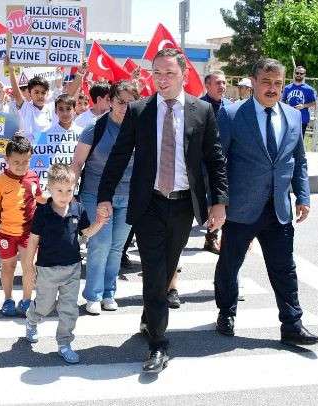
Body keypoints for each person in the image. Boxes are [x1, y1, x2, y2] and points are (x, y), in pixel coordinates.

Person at [97, 48, 228, 373]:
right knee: (155, 274)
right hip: (150, 204)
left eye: (169, 73)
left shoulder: (201, 111)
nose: (163, 79)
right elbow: (118, 154)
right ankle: (158, 343)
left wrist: (219, 200)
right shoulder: (139, 110)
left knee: (168, 267)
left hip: (184, 204)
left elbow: (214, 158)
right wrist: (104, 196)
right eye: (157, 73)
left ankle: (148, 319)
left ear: (183, 74)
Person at [214, 58, 318, 348]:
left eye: (278, 83)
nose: (272, 88)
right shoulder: (233, 114)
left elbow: (298, 160)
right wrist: (219, 202)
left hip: (278, 208)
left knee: (284, 268)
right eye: (266, 82)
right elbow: (217, 162)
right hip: (240, 207)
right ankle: (226, 312)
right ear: (253, 82)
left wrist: (303, 196)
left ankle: (292, 324)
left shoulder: (291, 115)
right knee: (229, 265)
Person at [24, 163, 106, 363]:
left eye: (69, 190)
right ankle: (32, 319)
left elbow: (86, 233)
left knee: (69, 309)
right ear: (50, 189)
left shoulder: (78, 209)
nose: (64, 195)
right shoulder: (43, 212)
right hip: (47, 269)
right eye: (59, 190)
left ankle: (64, 343)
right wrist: (29, 266)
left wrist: (100, 222)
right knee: (45, 305)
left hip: (72, 269)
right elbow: (33, 240)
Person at [72, 80, 139, 315]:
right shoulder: (95, 128)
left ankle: (109, 292)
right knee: (100, 244)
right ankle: (93, 295)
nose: (125, 107)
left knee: (117, 247)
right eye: (121, 102)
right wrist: (68, 193)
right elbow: (78, 163)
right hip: (96, 193)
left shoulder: (139, 128)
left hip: (128, 195)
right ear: (110, 101)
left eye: (131, 103)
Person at [0, 135, 47, 317]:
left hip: (29, 232)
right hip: (5, 233)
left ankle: (27, 300)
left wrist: (55, 200)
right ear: (6, 159)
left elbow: (39, 198)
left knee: (29, 267)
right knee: (8, 266)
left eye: (25, 161)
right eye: (16, 162)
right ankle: (8, 299)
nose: (21, 166)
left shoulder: (34, 177)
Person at [200, 70, 233, 256]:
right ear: (208, 85)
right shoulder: (198, 106)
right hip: (200, 163)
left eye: (224, 83)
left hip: (221, 164)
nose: (222, 86)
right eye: (218, 83)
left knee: (218, 200)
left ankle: (211, 237)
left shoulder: (230, 107)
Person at [282, 66, 316, 137]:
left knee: (299, 142)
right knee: (286, 141)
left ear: (304, 75)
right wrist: (286, 106)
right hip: (288, 118)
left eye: (301, 73)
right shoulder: (287, 88)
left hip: (302, 119)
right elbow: (283, 101)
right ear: (294, 74)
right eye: (297, 73)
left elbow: (314, 103)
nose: (299, 75)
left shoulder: (309, 89)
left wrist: (303, 106)